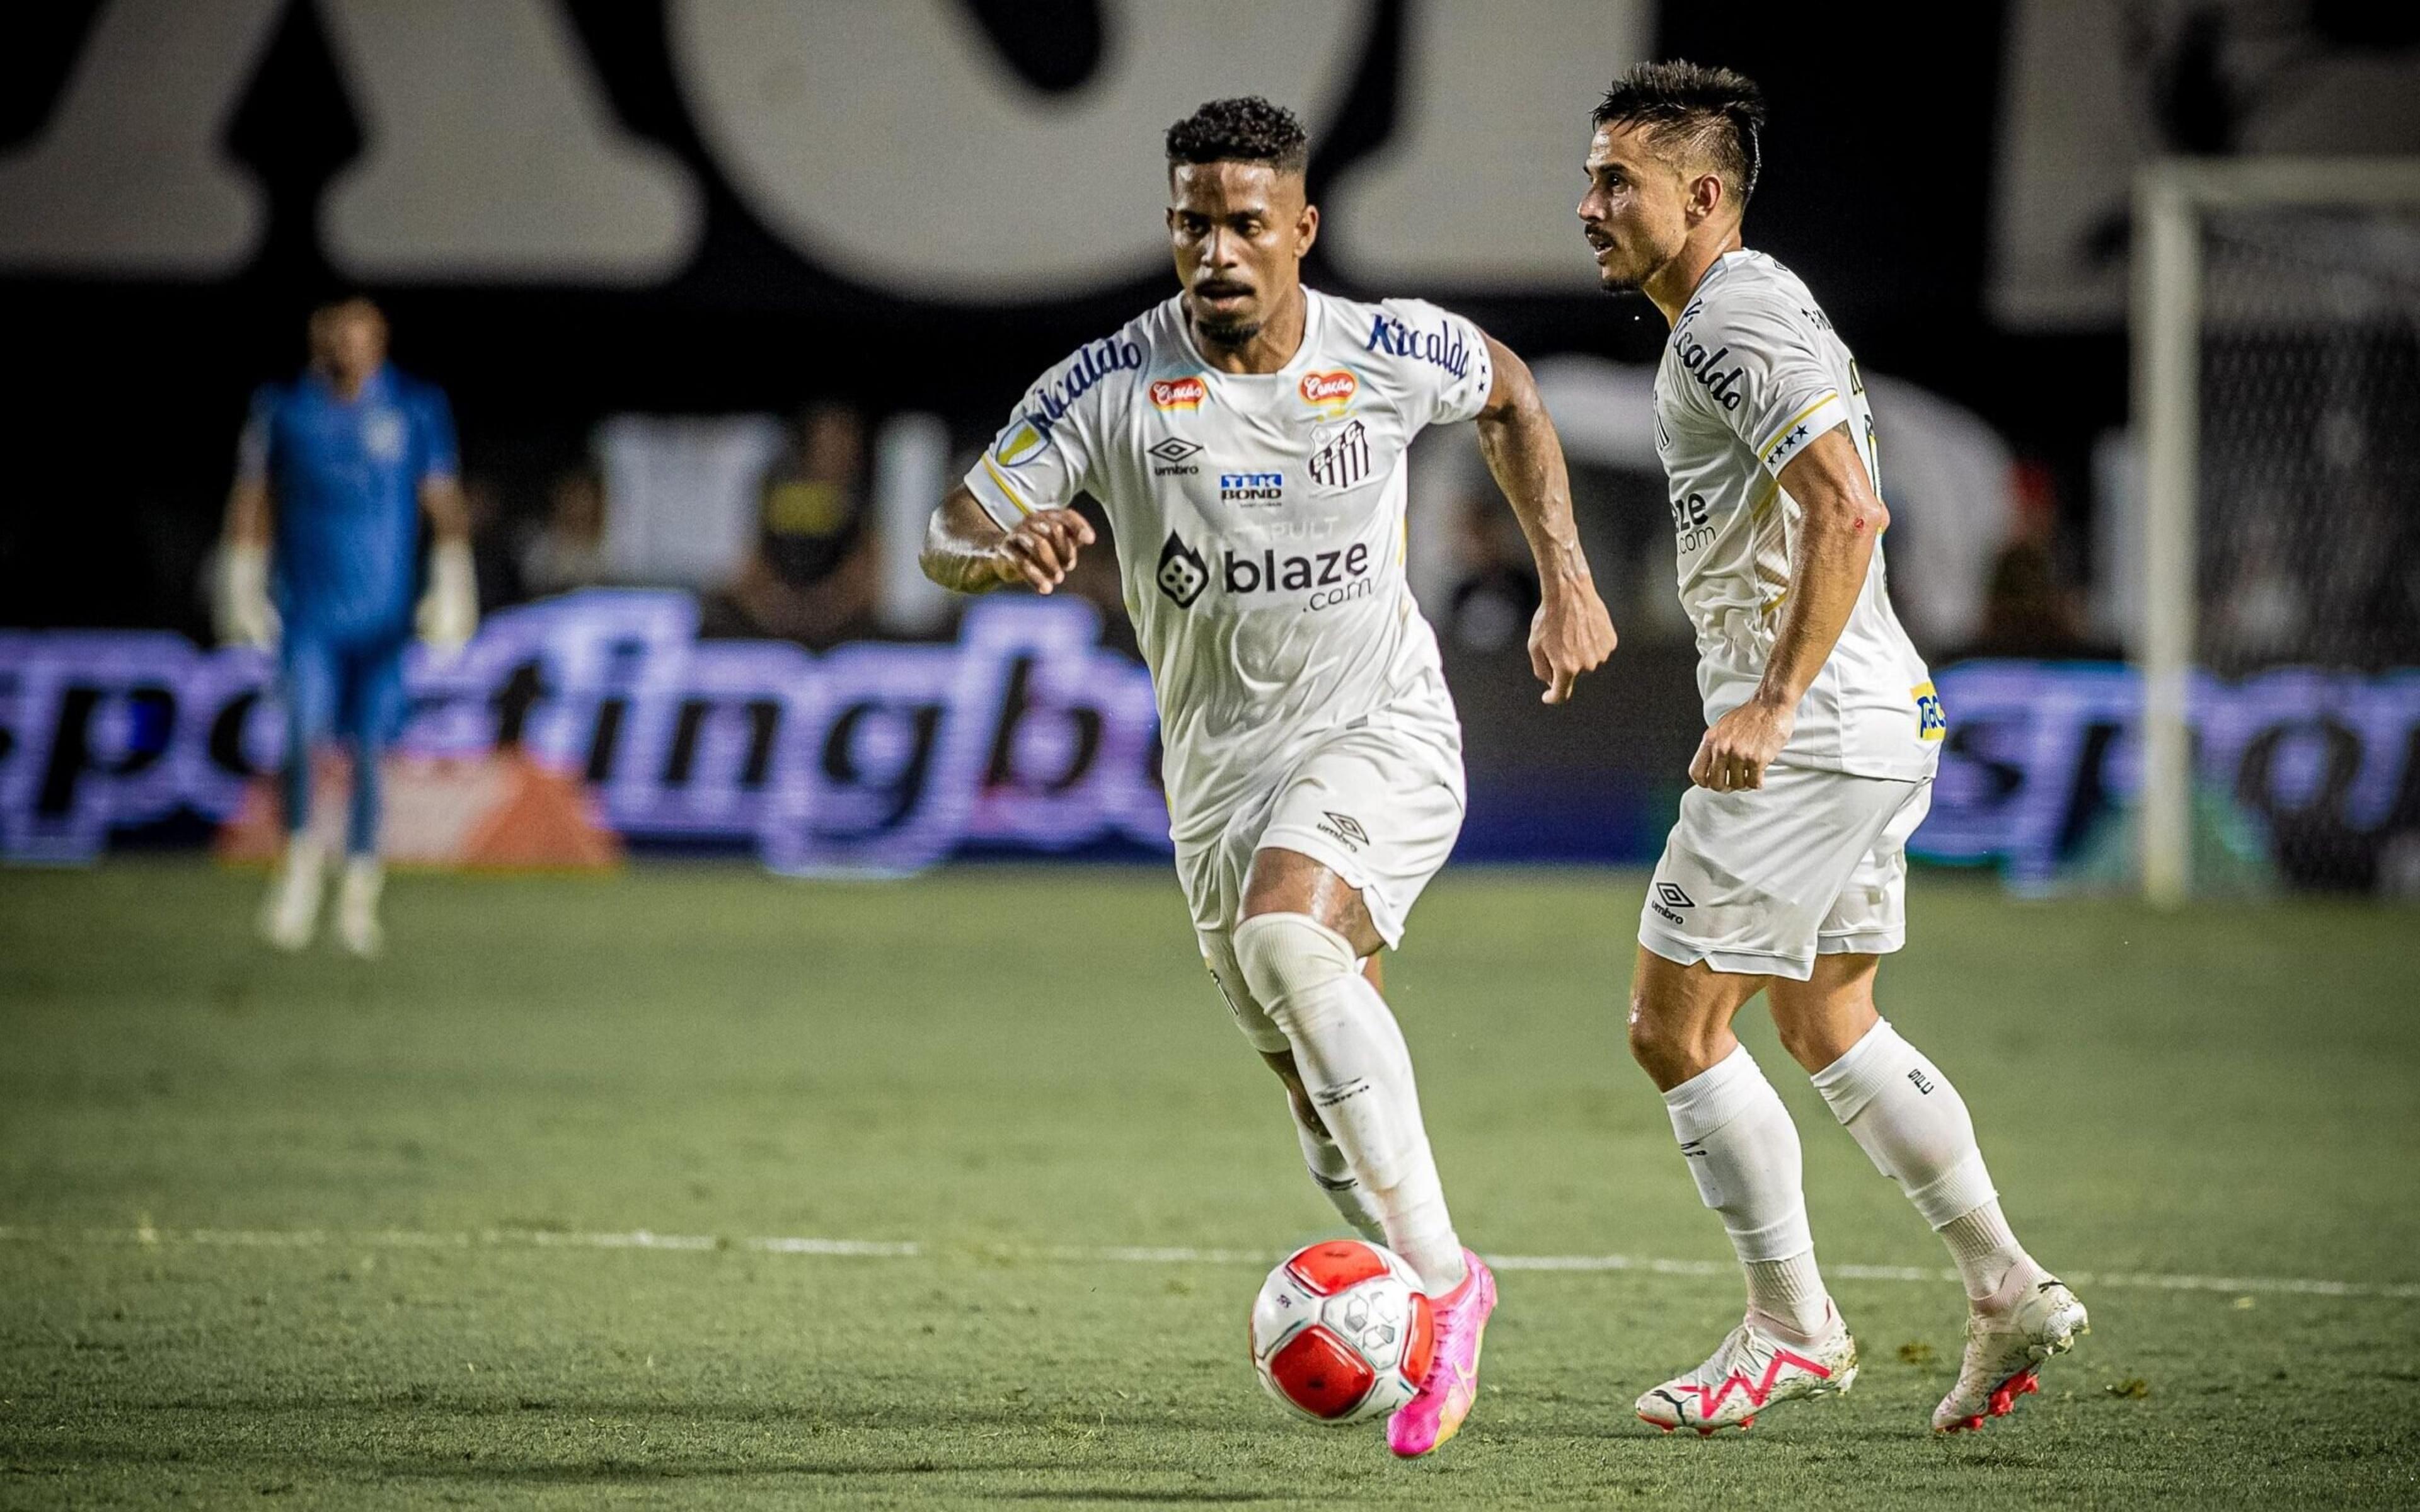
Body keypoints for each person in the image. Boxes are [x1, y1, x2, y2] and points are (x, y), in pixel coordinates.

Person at [921, 97, 1616, 1457]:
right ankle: (1403, 1294)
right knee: (1316, 1096)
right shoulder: (1110, 387)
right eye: (1193, 223)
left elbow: (1514, 392)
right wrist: (994, 554)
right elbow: (951, 522)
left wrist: (1566, 580)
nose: (1218, 251)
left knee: (1292, 935)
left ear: (1301, 229)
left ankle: (1444, 1285)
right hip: (1220, 786)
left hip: (1384, 732)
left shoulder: (1387, 348)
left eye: (1247, 223)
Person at [1575, 62, 2087, 1436]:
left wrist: (1772, 704)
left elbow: (1853, 513)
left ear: (1702, 193)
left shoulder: (1735, 322)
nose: (1592, 205)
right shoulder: (1738, 313)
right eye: (1592, 177)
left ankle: (1789, 1327)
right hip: (1880, 718)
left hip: (1815, 734)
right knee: (1827, 1018)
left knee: (1671, 1028)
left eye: (1618, 181)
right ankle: (2005, 1284)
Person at [216, 297, 476, 956]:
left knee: (368, 751)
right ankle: (300, 871)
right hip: (308, 612)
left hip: (384, 618)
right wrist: (242, 576)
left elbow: (441, 497)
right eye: (341, 337)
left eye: (364, 337)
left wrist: (453, 576)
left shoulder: (414, 408)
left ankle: (360, 893)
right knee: (304, 738)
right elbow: (254, 495)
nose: (352, 350)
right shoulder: (285, 409)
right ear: (321, 342)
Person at [715, 403, 879, 648]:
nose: (838, 451)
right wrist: (775, 607)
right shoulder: (777, 482)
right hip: (770, 620)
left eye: (845, 442)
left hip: (842, 629)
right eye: (828, 442)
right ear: (810, 443)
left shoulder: (862, 495)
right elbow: (747, 563)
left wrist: (829, 609)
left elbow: (870, 570)